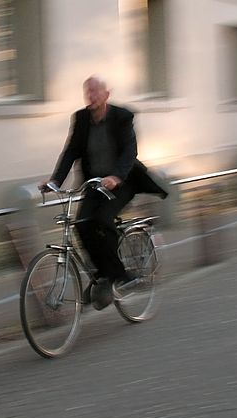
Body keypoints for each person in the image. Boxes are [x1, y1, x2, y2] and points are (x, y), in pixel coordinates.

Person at [41, 75, 168, 309]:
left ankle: (121, 275)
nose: (92, 96)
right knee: (81, 224)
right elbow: (71, 152)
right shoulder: (80, 119)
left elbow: (130, 151)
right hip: (93, 183)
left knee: (102, 220)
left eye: (96, 91)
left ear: (106, 94)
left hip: (122, 182)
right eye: (88, 92)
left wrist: (116, 177)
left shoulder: (122, 116)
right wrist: (55, 181)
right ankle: (103, 275)